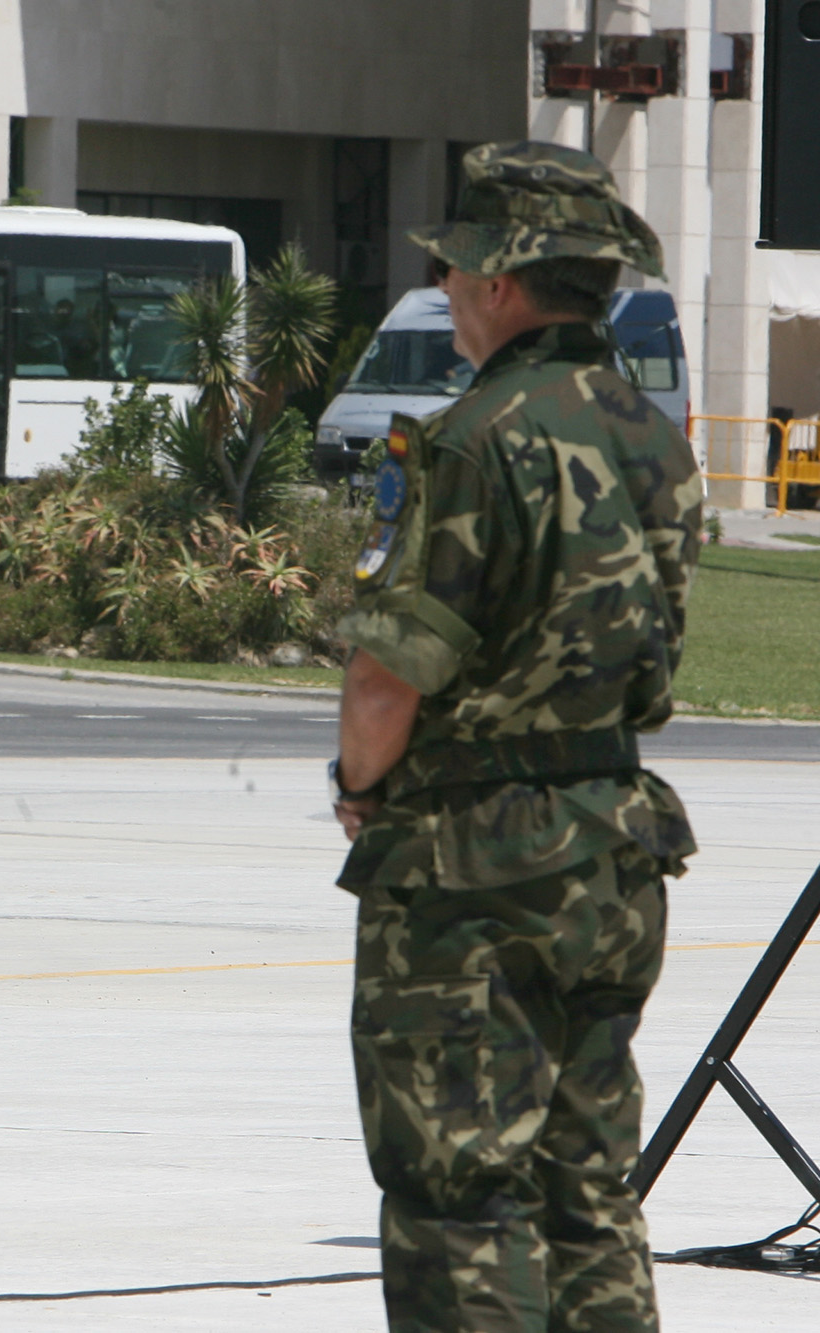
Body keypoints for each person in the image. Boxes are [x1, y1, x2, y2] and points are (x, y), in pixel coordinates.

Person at [329, 142, 703, 1332]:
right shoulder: (652, 436)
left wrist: (356, 787)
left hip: (473, 865)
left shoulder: (474, 437)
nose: (443, 289)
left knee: (456, 1189)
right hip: (613, 846)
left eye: (452, 269)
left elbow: (388, 674)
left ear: (498, 281)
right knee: (585, 1187)